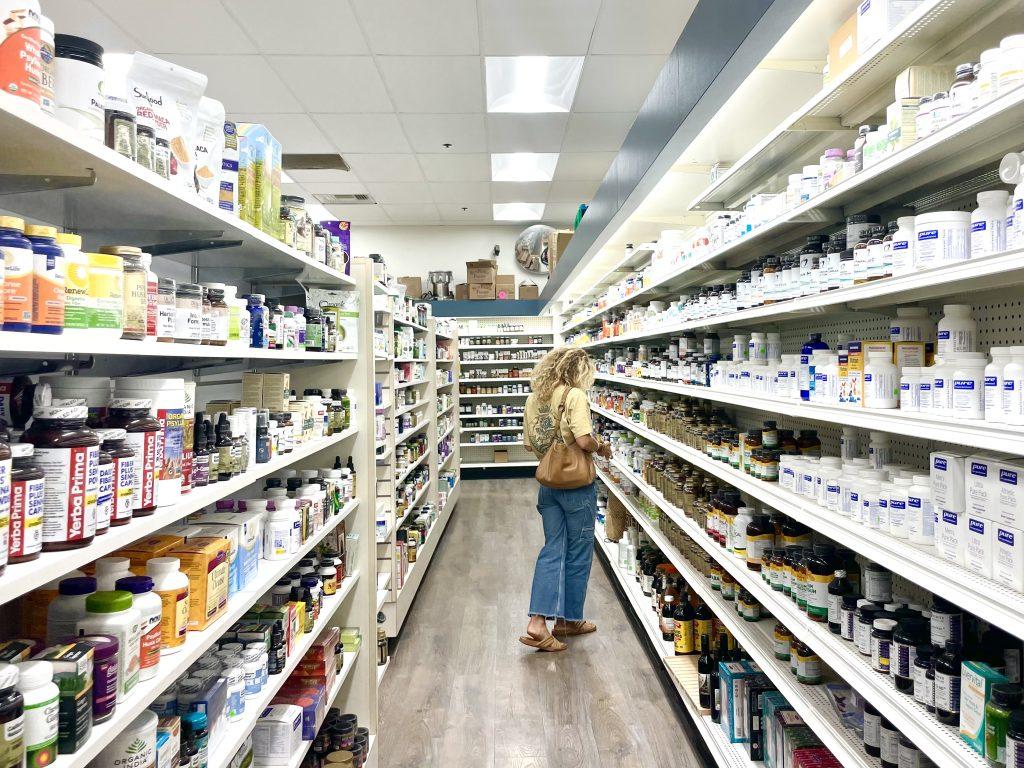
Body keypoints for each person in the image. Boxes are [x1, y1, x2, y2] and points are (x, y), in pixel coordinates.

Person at [520, 347, 611, 652]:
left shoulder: (534, 398)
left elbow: (529, 444)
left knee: (552, 549)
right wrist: (601, 447)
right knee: (579, 552)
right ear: (579, 371)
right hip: (576, 487)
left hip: (548, 487)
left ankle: (542, 621)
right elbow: (584, 440)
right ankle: (568, 618)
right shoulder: (574, 396)